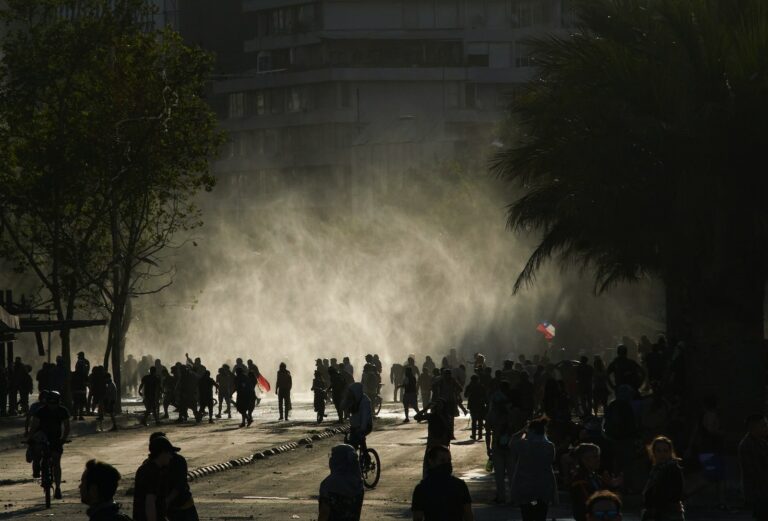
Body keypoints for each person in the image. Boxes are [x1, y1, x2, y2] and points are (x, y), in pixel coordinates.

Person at [510, 416, 557, 521]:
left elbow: (512, 442)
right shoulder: (550, 446)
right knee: (541, 516)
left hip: (525, 488)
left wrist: (523, 431)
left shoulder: (524, 444)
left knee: (527, 516)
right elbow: (551, 463)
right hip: (544, 487)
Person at [411, 445, 474, 521]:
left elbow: (417, 517)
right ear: (431, 461)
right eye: (442, 460)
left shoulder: (421, 488)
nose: (447, 464)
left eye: (449, 460)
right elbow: (468, 515)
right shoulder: (459, 485)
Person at [29, 390, 70, 499]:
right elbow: (34, 426)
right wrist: (31, 438)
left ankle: (58, 488)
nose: (52, 405)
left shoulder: (62, 411)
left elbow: (67, 427)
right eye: (51, 402)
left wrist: (63, 439)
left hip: (56, 439)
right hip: (43, 437)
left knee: (56, 462)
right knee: (39, 453)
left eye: (54, 403)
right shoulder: (41, 411)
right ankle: (37, 467)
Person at [570, 443, 622, 521]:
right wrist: (609, 486)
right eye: (594, 457)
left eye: (598, 456)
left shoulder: (596, 477)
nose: (598, 460)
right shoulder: (579, 479)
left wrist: (612, 485)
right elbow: (591, 501)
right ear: (584, 459)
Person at [133, 436, 177, 521]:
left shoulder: (145, 468)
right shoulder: (153, 472)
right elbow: (150, 503)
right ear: (162, 453)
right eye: (169, 453)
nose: (171, 457)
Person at [641, 436, 684, 521]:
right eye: (659, 451)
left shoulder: (673, 469)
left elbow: (676, 494)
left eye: (665, 451)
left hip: (669, 515)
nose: (662, 454)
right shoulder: (655, 469)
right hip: (657, 513)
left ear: (670, 452)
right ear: (654, 452)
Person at [318, 444, 364, 521]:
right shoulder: (358, 482)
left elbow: (324, 513)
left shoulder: (328, 484)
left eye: (332, 456)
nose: (330, 459)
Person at [739, 414, 768, 521]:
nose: (766, 428)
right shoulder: (747, 445)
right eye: (764, 425)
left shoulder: (762, 442)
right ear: (754, 427)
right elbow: (754, 472)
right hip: (759, 491)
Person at [163, 434, 199, 521]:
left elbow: (180, 485)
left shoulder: (179, 461)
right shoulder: (150, 467)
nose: (171, 456)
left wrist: (166, 501)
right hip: (171, 508)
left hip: (184, 504)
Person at [342, 382, 373, 454]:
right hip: (355, 425)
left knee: (357, 440)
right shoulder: (354, 400)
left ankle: (366, 458)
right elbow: (343, 406)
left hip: (366, 426)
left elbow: (364, 418)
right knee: (349, 442)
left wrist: (362, 429)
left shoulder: (365, 401)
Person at [464, 374, 488, 441]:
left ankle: (474, 435)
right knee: (480, 420)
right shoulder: (481, 386)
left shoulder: (469, 386)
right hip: (480, 405)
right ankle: (480, 435)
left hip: (473, 405)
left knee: (474, 420)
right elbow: (485, 396)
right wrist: (486, 404)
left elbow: (465, 395)